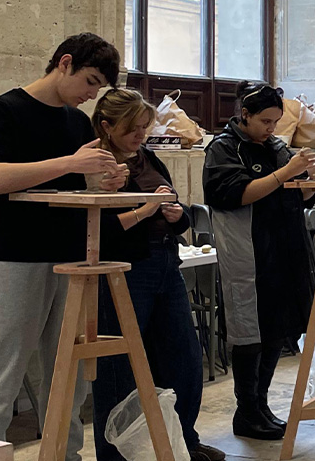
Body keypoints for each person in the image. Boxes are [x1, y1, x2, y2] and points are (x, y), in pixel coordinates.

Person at [0, 33, 126, 460]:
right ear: (64, 63)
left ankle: (65, 455)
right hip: (16, 254)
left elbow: (74, 185)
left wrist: (103, 182)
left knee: (69, 371)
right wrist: (71, 163)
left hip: (72, 254)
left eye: (99, 88)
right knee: (2, 369)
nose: (91, 95)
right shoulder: (6, 110)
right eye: (90, 81)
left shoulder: (75, 121)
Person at [90, 89, 224, 461]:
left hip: (165, 259)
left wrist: (175, 213)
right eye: (132, 128)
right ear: (107, 126)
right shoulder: (96, 164)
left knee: (184, 357)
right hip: (125, 268)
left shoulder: (147, 157)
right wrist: (146, 211)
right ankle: (116, 455)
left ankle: (182, 443)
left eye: (144, 127)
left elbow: (176, 210)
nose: (140, 135)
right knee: (119, 366)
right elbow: (99, 228)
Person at [203, 81, 315, 440]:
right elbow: (237, 194)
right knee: (249, 333)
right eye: (265, 121)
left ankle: (261, 403)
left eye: (275, 122)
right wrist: (286, 173)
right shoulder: (224, 148)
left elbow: (299, 197)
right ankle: (246, 410)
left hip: (284, 251)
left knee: (276, 330)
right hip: (249, 253)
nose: (271, 128)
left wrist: (312, 179)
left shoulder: (276, 147)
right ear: (245, 114)